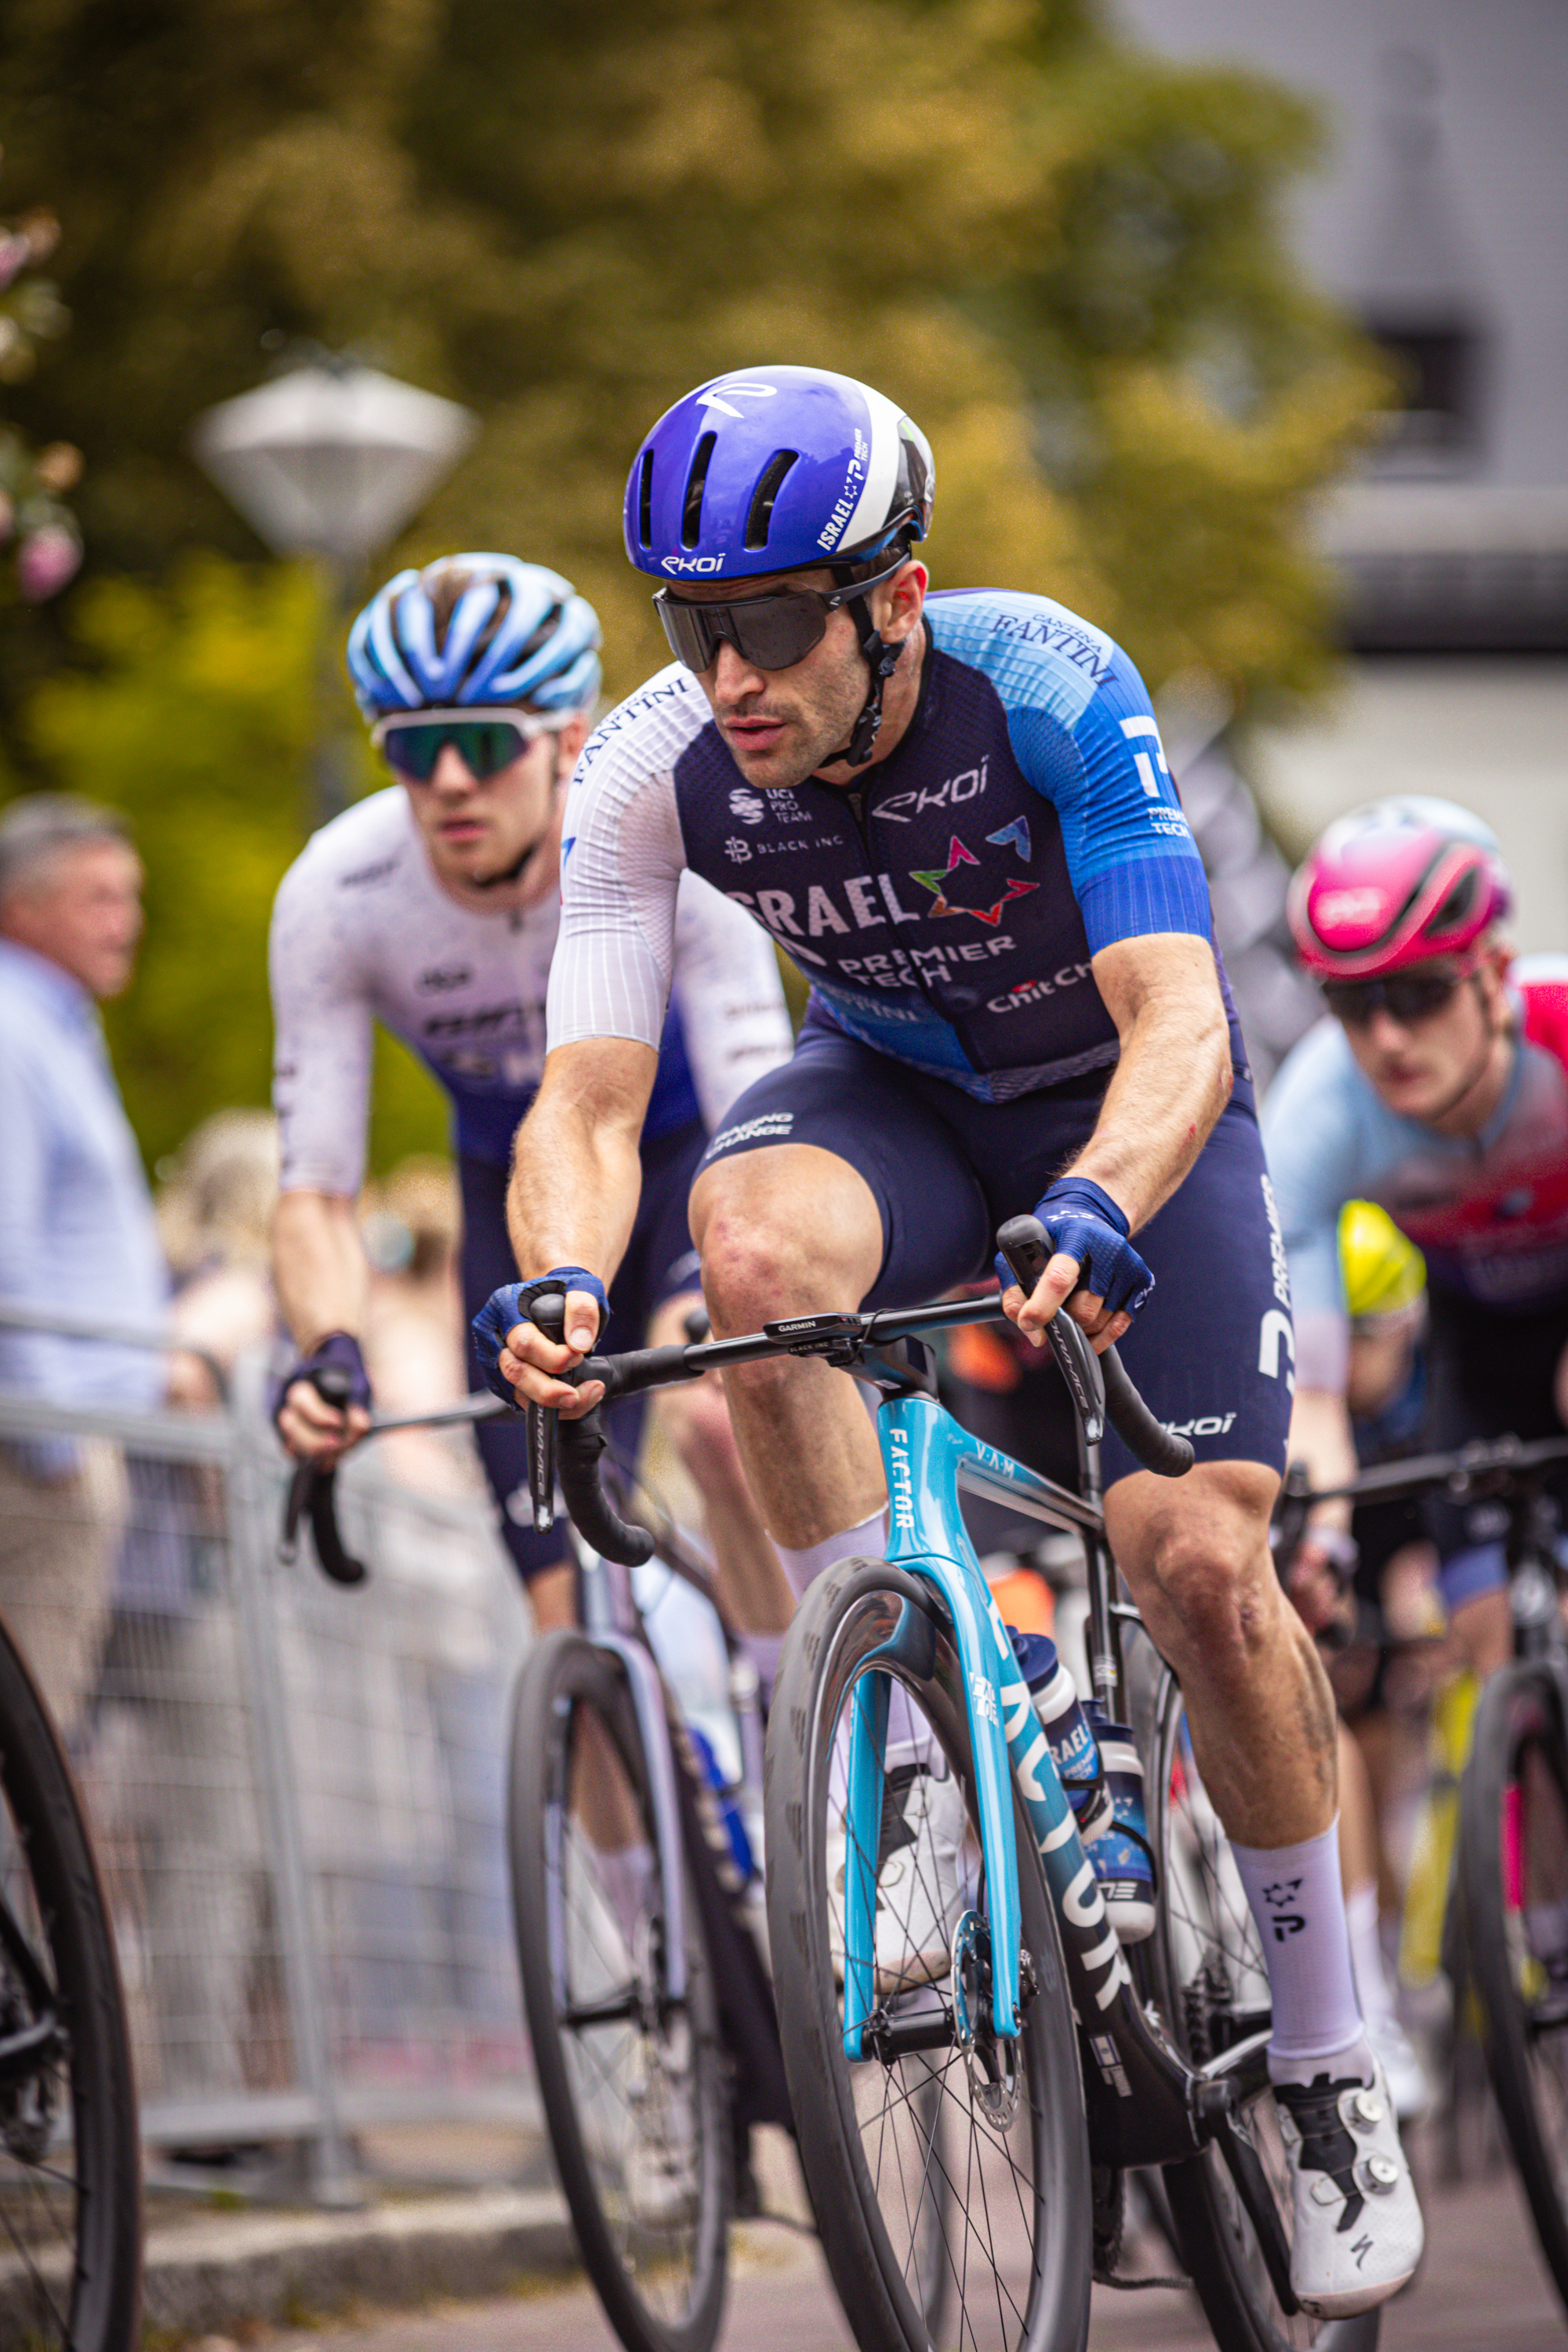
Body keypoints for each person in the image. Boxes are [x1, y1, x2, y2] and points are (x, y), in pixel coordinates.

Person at [475, 365, 1424, 2316]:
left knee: (1195, 1569)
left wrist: (1100, 1192)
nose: (724, 670)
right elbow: (580, 1103)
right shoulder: (656, 763)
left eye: (762, 621)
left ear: (887, 600)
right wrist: (563, 1279)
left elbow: (1177, 1013)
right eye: (686, 620)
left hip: (1123, 1104)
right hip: (894, 1095)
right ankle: (906, 1766)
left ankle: (1327, 2060)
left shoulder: (1049, 683)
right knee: (737, 1243)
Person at [269, 554, 795, 1649]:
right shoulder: (339, 891)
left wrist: (737, 1291)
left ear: (567, 739)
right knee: (557, 1603)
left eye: (489, 742)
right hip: (515, 1189)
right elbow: (315, 1187)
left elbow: (760, 1084)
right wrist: (328, 1350)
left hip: (692, 1154)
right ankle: (616, 1804)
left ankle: (794, 1704)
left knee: (716, 1417)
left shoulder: (667, 840)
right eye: (413, 749)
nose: (451, 780)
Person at [1264, 797, 1568, 1690]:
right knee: (1483, 1639)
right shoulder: (1315, 1115)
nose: (1386, 1037)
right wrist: (1316, 1537)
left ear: (1494, 973)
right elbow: (1314, 1394)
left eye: (1421, 992)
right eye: (1351, 1003)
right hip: (1473, 1346)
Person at [0, 793, 167, 1733]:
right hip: (36, 1461)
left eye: (129, 896)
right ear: (23, 908)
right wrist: (60, 1447)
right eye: (98, 898)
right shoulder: (12, 1032)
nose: (125, 921)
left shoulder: (57, 1027)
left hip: (61, 1448)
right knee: (29, 1749)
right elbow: (5, 1249)